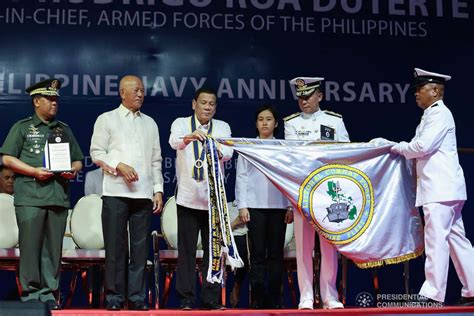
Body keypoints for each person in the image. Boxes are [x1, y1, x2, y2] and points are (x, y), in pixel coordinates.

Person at [391, 68, 474, 306]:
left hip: (440, 189)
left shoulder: (438, 114)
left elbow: (422, 146)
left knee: (436, 240)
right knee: (457, 240)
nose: (416, 94)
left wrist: (398, 148)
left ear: (435, 91)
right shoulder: (432, 114)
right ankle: (472, 288)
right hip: (444, 189)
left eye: (420, 89)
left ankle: (432, 294)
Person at [0, 79, 84, 310]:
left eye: (56, 99)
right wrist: (33, 171)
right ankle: (30, 295)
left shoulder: (63, 129)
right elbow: (7, 158)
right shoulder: (22, 127)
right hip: (30, 197)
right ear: (37, 101)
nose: (55, 103)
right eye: (50, 99)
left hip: (57, 196)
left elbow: (78, 160)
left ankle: (49, 294)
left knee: (52, 249)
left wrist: (71, 171)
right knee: (30, 248)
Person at [90, 75, 164, 311]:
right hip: (115, 192)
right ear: (122, 93)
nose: (141, 94)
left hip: (142, 195)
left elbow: (156, 160)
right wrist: (118, 164)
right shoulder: (107, 119)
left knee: (140, 251)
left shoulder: (150, 123)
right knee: (115, 248)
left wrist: (158, 190)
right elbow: (96, 152)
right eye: (135, 90)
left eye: (142, 90)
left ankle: (137, 297)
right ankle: (114, 297)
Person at [284, 77, 349, 309]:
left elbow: (346, 153)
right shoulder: (291, 123)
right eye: (300, 97)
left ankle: (330, 295)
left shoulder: (334, 120)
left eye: (308, 96)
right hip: (302, 191)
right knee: (303, 247)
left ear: (319, 96)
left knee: (329, 246)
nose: (303, 101)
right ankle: (306, 296)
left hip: (329, 192)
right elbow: (293, 159)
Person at [169, 87, 233, 310]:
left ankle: (211, 299)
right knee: (186, 252)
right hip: (187, 198)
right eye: (203, 103)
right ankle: (186, 299)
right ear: (194, 104)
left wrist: (212, 145)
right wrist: (190, 137)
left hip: (213, 201)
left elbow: (228, 153)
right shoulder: (181, 123)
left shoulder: (222, 127)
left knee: (214, 252)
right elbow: (173, 142)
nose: (207, 107)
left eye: (212, 104)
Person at [237, 104, 293, 309]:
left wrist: (290, 206)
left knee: (276, 255)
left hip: (279, 207)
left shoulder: (283, 148)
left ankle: (275, 300)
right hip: (254, 207)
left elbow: (288, 178)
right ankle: (258, 300)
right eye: (260, 119)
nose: (264, 123)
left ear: (276, 123)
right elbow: (241, 177)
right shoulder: (247, 146)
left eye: (268, 119)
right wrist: (242, 206)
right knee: (258, 255)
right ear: (256, 123)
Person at [228, 200, 249, 308]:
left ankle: (237, 283)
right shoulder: (228, 206)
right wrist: (236, 222)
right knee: (242, 248)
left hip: (254, 240)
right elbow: (222, 231)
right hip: (236, 240)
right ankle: (237, 283)